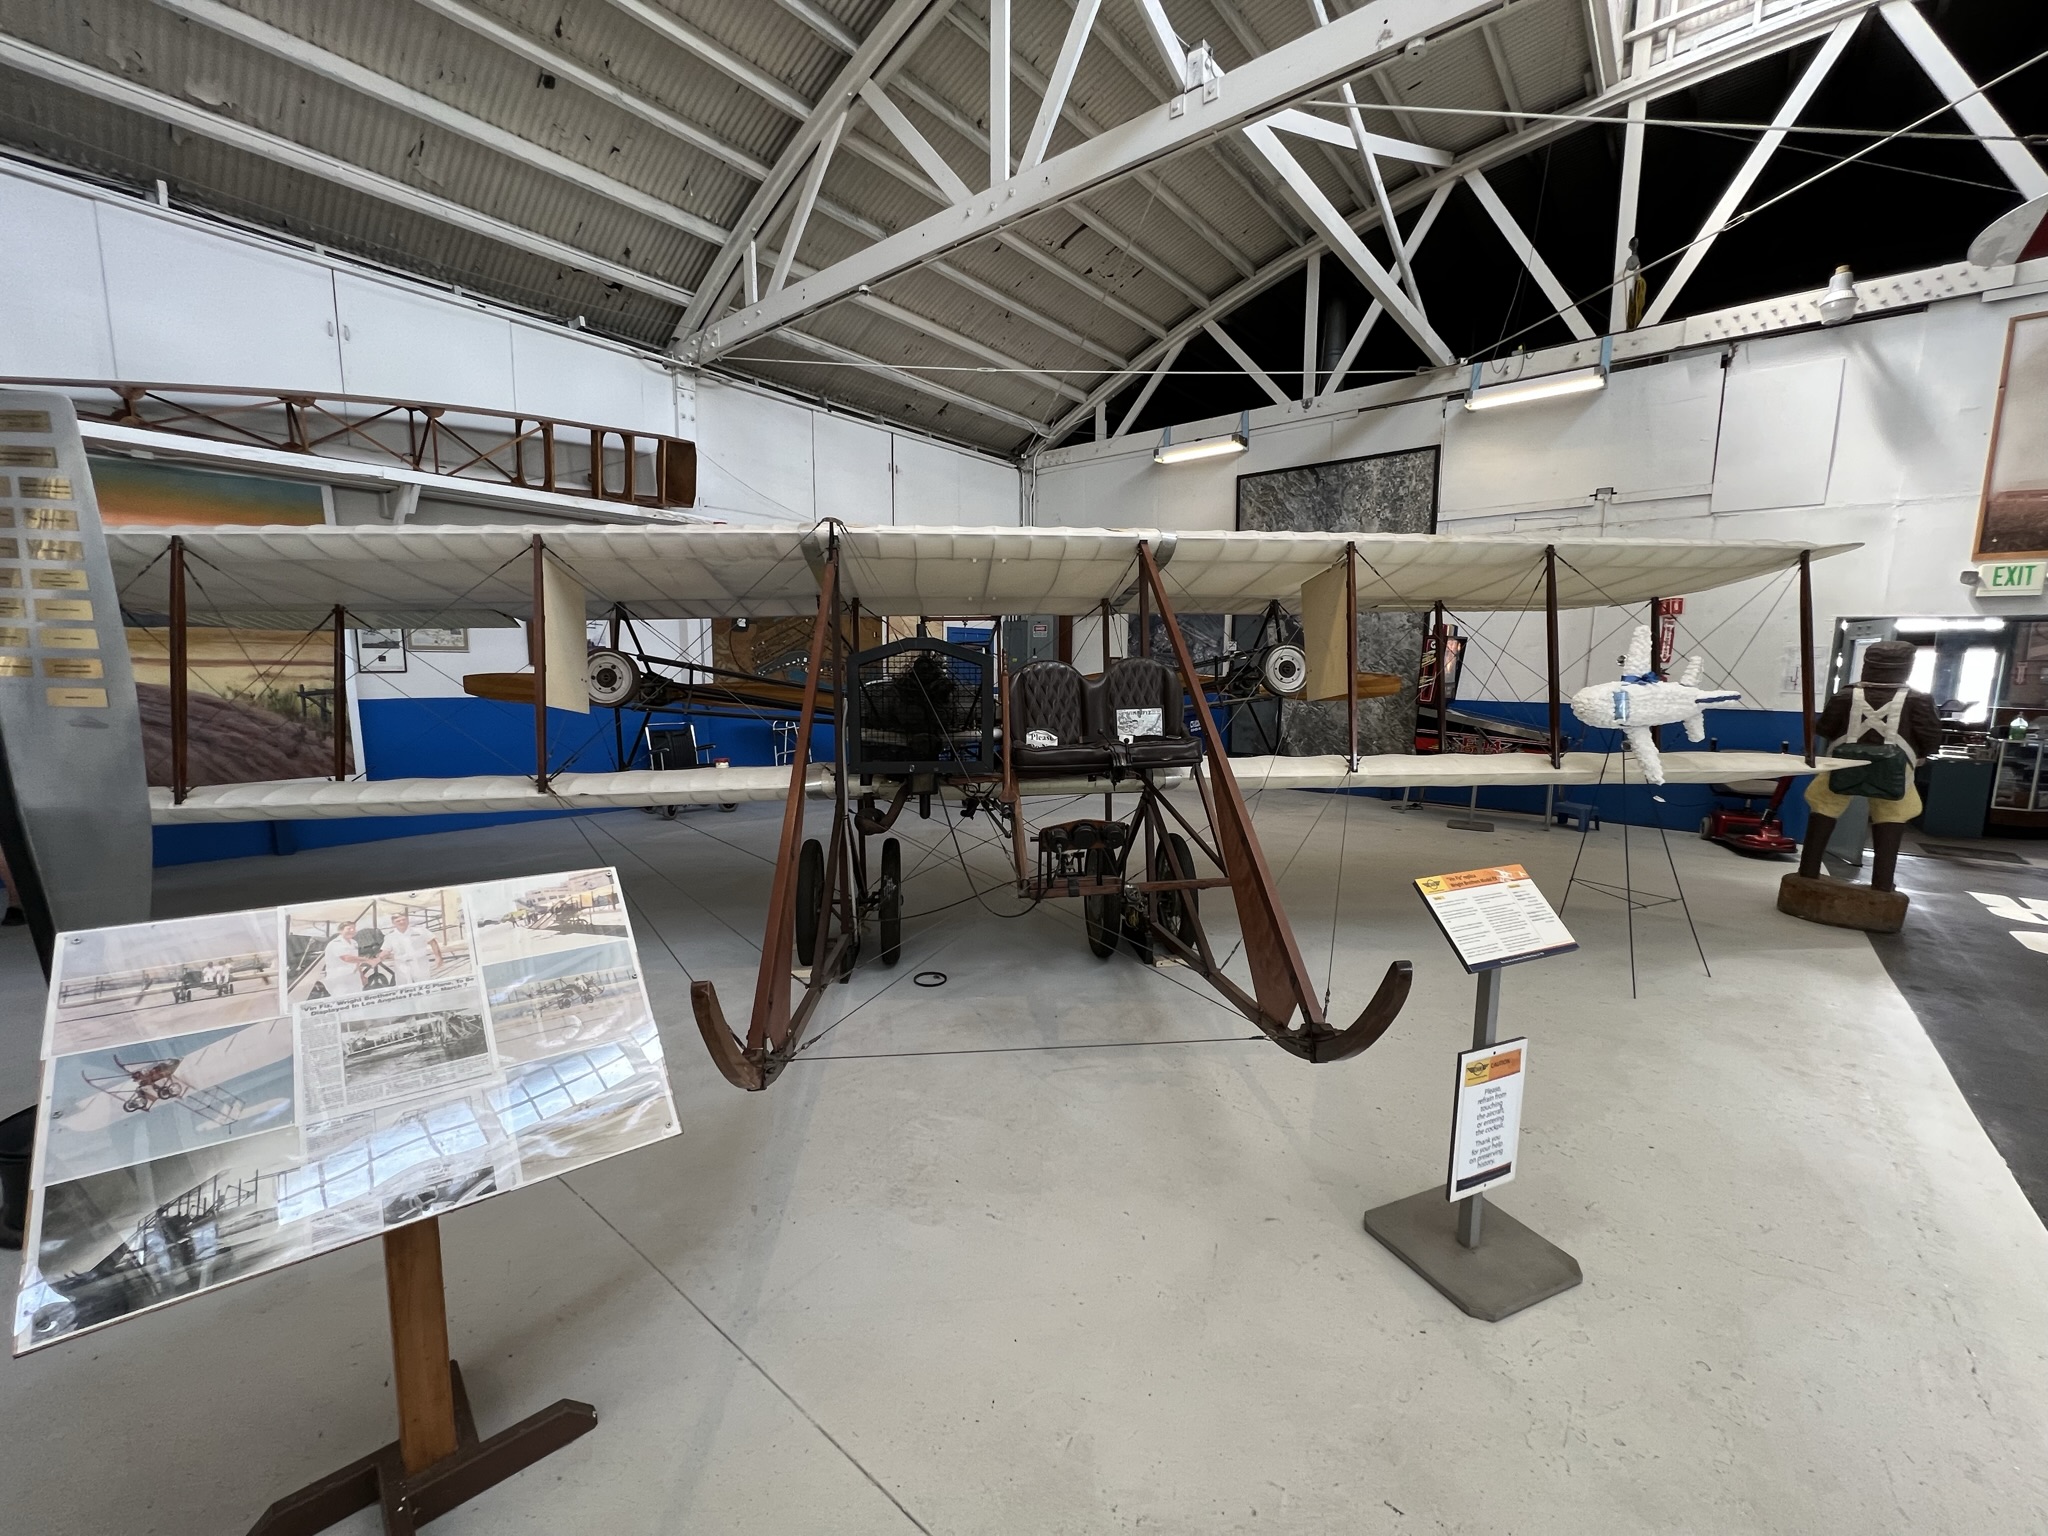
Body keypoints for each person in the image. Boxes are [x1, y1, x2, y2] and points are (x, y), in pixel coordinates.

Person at [1796, 640, 1941, 893]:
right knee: (1892, 814)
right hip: (1895, 768)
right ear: (1907, 667)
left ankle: (1808, 870)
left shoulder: (1845, 695)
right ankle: (1882, 883)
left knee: (1824, 805)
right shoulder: (1919, 700)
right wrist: (1919, 755)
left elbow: (1825, 728)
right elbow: (1930, 739)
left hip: (1841, 764)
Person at [382, 910, 445, 987]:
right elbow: (385, 951)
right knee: (404, 988)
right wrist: (376, 959)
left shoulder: (420, 930)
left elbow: (433, 942)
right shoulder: (390, 937)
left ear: (407, 920)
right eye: (398, 921)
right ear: (393, 923)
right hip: (402, 965)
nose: (402, 922)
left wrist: (438, 956)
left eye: (404, 919)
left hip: (420, 963)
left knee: (424, 985)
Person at [321, 921, 367, 997]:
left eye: (354, 928)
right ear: (341, 930)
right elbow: (346, 958)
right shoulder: (336, 943)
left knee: (357, 997)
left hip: (353, 977)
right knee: (342, 998)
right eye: (349, 929)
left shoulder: (354, 943)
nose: (352, 930)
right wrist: (366, 959)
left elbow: (356, 962)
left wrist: (361, 976)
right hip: (339, 978)